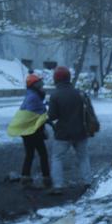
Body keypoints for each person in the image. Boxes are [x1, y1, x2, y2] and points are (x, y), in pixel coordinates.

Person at [47, 66, 92, 194]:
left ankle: (58, 185)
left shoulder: (55, 95)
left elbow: (52, 116)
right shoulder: (79, 93)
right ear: (69, 78)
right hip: (81, 132)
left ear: (56, 79)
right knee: (83, 157)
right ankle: (88, 182)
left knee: (57, 158)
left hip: (63, 133)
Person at [7, 73, 51, 188]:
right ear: (34, 85)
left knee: (30, 154)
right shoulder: (34, 97)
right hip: (33, 130)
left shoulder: (30, 95)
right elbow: (39, 113)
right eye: (39, 84)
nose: (42, 86)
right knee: (43, 154)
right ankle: (46, 178)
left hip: (26, 130)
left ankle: (25, 177)